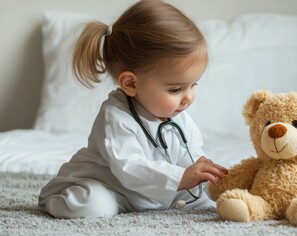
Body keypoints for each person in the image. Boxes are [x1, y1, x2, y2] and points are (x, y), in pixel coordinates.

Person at [38, 0, 228, 218]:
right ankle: (55, 202)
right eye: (176, 89)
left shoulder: (178, 117)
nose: (189, 97)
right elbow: (129, 167)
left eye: (194, 84)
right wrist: (180, 177)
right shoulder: (115, 116)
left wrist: (200, 172)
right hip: (113, 188)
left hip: (153, 194)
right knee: (94, 206)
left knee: (207, 197)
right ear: (130, 83)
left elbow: (189, 154)